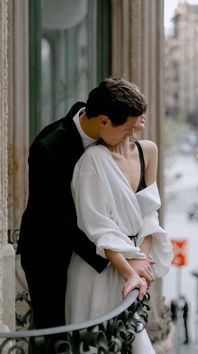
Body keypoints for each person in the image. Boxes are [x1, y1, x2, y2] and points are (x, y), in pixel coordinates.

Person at [17, 78, 155, 329]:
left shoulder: (108, 121)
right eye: (125, 130)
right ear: (103, 121)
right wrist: (121, 260)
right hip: (50, 253)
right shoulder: (48, 147)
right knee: (55, 333)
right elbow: (59, 220)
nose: (129, 136)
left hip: (95, 252)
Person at [65, 112, 174, 353]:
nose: (142, 117)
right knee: (95, 345)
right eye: (134, 115)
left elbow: (149, 213)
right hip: (98, 269)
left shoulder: (148, 151)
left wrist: (141, 259)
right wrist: (130, 263)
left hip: (133, 265)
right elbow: (97, 224)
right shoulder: (92, 159)